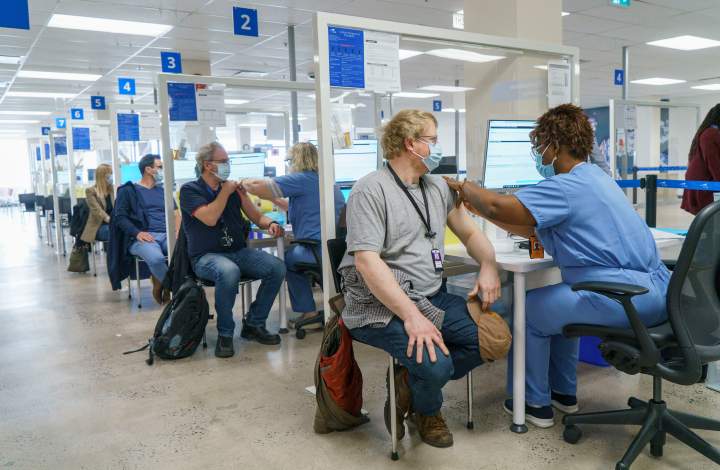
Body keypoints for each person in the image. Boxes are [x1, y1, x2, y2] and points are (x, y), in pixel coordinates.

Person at [446, 104, 670, 428]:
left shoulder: (565, 187)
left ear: (554, 145)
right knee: (560, 304)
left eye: (539, 146)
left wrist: (464, 187)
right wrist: (481, 213)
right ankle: (564, 394)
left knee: (530, 309)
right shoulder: (597, 178)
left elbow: (496, 204)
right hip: (655, 294)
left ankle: (532, 403)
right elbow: (532, 227)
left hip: (622, 298)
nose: (538, 154)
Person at [338, 110, 500, 448]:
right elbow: (366, 262)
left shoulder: (437, 186)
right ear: (411, 144)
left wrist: (488, 265)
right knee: (437, 367)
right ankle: (428, 410)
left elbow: (471, 233)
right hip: (380, 305)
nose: (438, 148)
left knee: (493, 340)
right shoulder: (370, 190)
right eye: (433, 140)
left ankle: (408, 386)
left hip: (432, 296)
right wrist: (412, 316)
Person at [180, 142, 286, 358]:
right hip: (206, 257)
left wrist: (270, 223)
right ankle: (225, 334)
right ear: (208, 165)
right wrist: (225, 192)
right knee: (228, 271)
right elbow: (210, 218)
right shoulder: (190, 190)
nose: (227, 165)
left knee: (276, 267)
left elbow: (256, 216)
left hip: (237, 252)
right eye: (223, 161)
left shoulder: (234, 190)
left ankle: (254, 323)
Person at [241, 142, 345, 328]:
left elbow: (257, 187)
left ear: (296, 160)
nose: (288, 164)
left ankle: (308, 311)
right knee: (295, 254)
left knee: (287, 260)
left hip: (315, 250)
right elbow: (300, 206)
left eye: (289, 160)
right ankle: (334, 306)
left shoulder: (300, 179)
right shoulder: (325, 180)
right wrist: (274, 199)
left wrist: (241, 183)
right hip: (333, 250)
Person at [113, 154, 179, 304]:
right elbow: (120, 218)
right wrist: (137, 233)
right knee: (156, 259)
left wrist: (177, 231)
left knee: (185, 253)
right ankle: (173, 289)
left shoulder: (164, 191)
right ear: (148, 169)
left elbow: (176, 214)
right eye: (160, 167)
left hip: (167, 234)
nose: (163, 170)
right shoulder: (129, 191)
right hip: (143, 237)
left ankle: (160, 280)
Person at [682, 103, 720, 215]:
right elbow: (713, 162)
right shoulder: (710, 134)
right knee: (709, 220)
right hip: (704, 183)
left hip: (701, 181)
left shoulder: (709, 132)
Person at [80, 163, 114, 243]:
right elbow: (98, 211)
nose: (111, 177)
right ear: (102, 177)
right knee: (114, 231)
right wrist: (110, 220)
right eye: (109, 175)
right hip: (98, 226)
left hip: (112, 224)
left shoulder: (112, 190)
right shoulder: (90, 191)